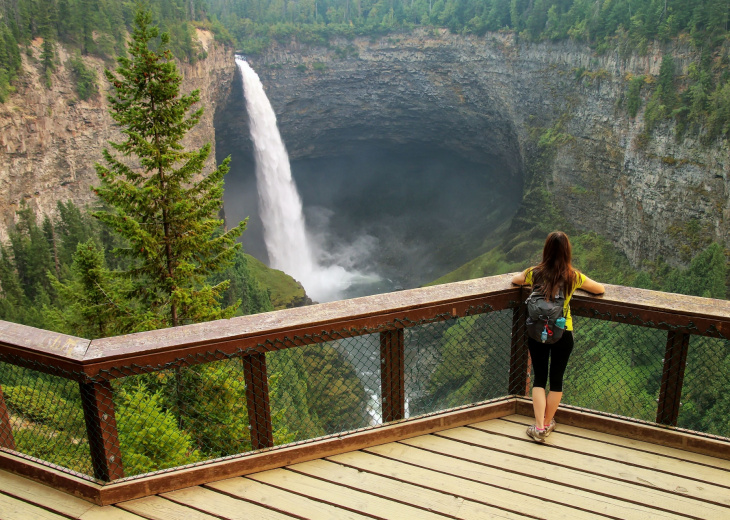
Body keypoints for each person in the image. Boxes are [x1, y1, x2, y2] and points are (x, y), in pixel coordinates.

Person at [511, 231, 604, 443]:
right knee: (556, 381)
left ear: (546, 250)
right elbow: (599, 290)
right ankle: (547, 424)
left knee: (539, 379)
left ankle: (538, 427)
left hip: (537, 333)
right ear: (567, 252)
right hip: (563, 333)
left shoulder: (534, 273)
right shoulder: (573, 277)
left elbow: (515, 280)